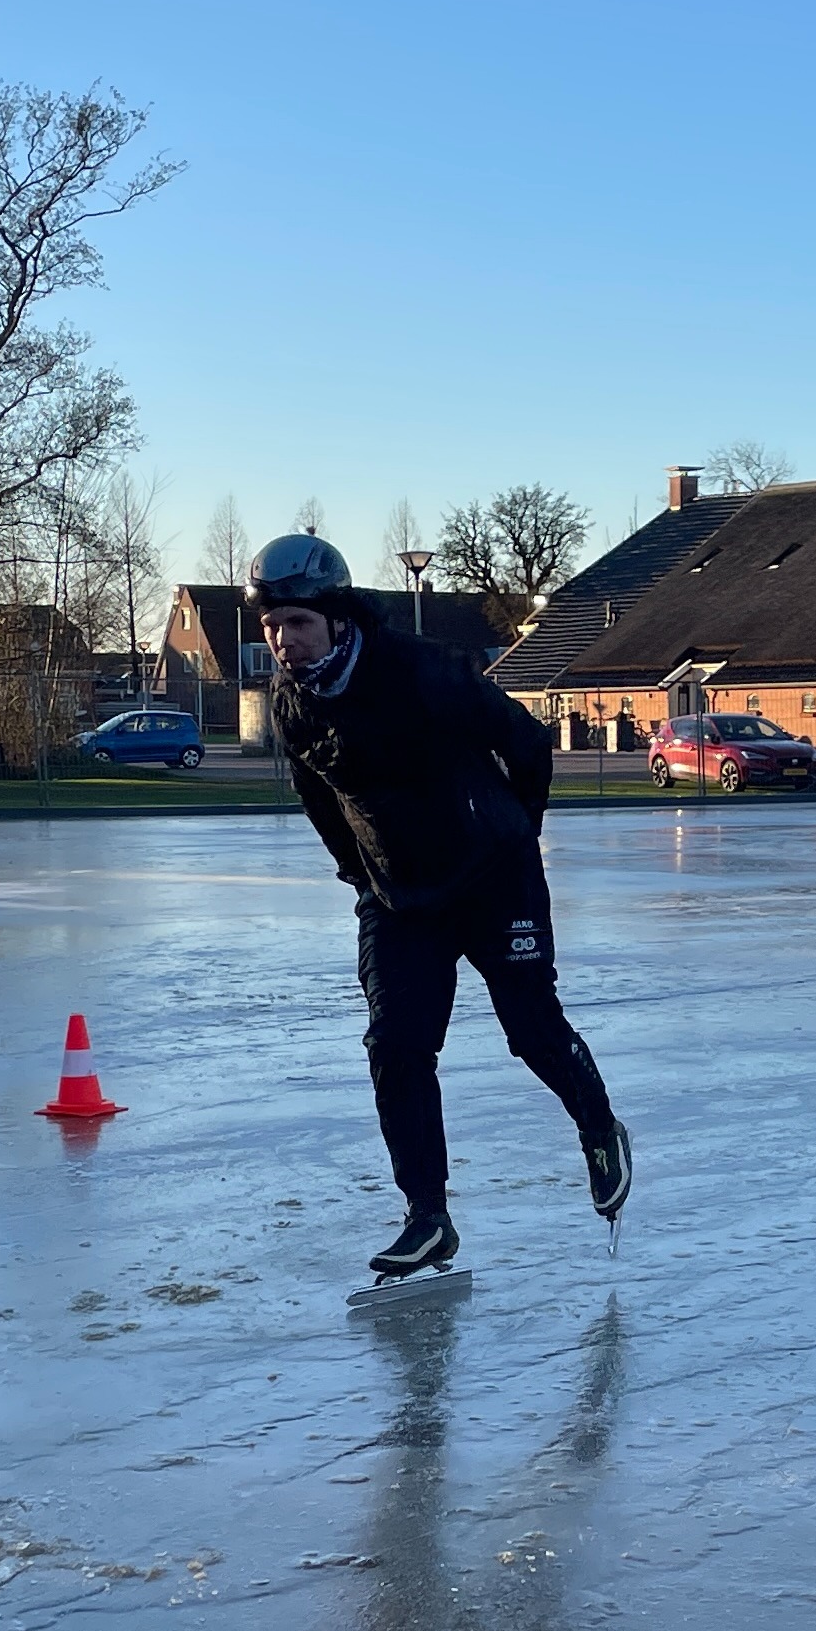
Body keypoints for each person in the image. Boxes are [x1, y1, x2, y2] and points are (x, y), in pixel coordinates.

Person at [256, 532, 628, 1278]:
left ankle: (599, 1130)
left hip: (494, 876)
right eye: (270, 626)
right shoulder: (292, 704)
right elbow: (319, 801)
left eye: (296, 623)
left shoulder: (420, 670)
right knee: (395, 1047)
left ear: (335, 618)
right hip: (399, 897)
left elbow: (526, 742)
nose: (282, 640)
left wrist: (518, 830)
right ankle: (428, 1215)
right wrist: (360, 878)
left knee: (531, 1031)